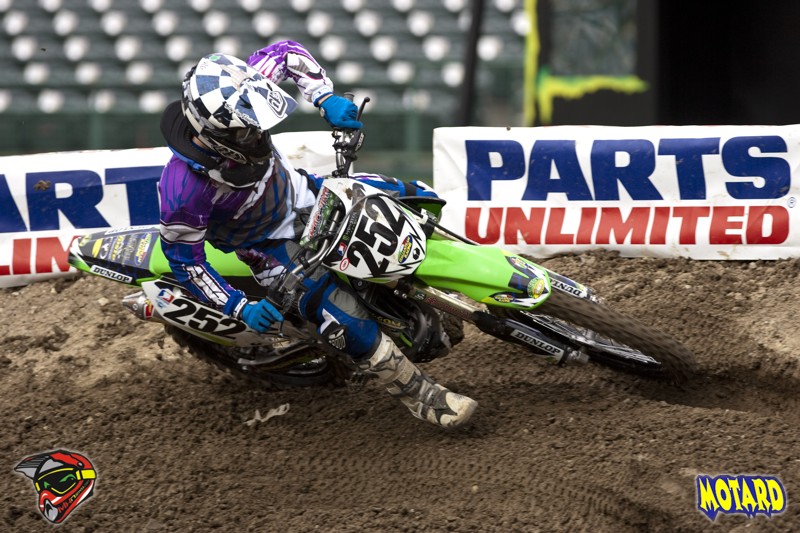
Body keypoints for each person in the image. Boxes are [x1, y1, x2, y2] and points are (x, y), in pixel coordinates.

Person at [157, 41, 477, 428]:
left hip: (313, 193)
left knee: (416, 195)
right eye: (246, 131)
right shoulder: (183, 189)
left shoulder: (241, 95)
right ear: (213, 134)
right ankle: (420, 396)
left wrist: (324, 97)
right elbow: (185, 262)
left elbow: (286, 54)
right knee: (344, 317)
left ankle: (470, 274)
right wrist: (240, 308)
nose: (257, 133)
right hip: (270, 248)